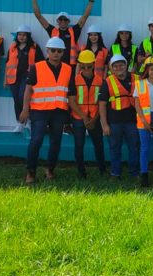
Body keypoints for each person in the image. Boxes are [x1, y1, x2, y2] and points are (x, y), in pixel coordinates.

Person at [20, 37, 74, 183]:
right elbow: (28, 90)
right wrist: (25, 109)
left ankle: (50, 170)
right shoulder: (37, 67)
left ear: (63, 52)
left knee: (56, 142)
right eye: (53, 50)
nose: (56, 53)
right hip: (40, 110)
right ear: (47, 51)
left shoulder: (68, 69)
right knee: (36, 140)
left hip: (59, 111)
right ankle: (31, 173)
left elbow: (70, 94)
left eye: (59, 51)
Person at [98, 54, 140, 180]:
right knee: (115, 148)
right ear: (112, 68)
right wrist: (104, 125)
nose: (118, 68)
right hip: (114, 122)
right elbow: (102, 104)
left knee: (134, 147)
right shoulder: (107, 82)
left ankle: (134, 173)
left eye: (121, 65)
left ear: (126, 65)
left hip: (133, 120)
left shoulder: (137, 79)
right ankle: (115, 173)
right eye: (115, 66)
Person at [31, 0, 95, 66]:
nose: (63, 21)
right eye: (60, 19)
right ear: (57, 21)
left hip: (71, 66)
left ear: (68, 21)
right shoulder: (53, 31)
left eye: (65, 20)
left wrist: (91, 1)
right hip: (55, 65)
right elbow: (39, 16)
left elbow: (85, 16)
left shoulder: (74, 31)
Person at [68, 49, 106, 178]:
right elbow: (72, 102)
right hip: (79, 118)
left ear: (94, 64)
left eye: (89, 66)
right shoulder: (74, 80)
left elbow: (102, 103)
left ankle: (102, 171)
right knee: (79, 146)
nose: (86, 69)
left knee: (99, 145)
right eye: (83, 66)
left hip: (95, 118)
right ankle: (81, 172)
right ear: (79, 65)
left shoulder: (101, 81)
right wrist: (84, 118)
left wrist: (94, 119)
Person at [134, 57, 153, 187]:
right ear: (147, 70)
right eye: (151, 69)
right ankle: (144, 178)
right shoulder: (139, 83)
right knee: (144, 149)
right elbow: (137, 104)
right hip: (143, 120)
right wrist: (143, 121)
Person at [4, 24, 40, 132]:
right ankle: (19, 123)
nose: (22, 37)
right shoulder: (12, 47)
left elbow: (40, 63)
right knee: (16, 100)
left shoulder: (34, 47)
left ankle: (27, 121)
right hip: (14, 77)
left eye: (24, 35)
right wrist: (5, 80)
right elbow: (7, 63)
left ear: (28, 36)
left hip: (28, 77)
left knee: (22, 98)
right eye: (20, 34)